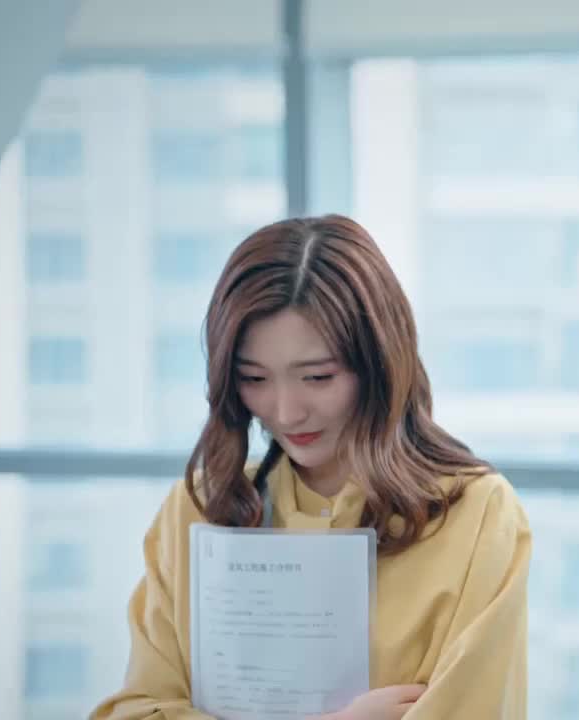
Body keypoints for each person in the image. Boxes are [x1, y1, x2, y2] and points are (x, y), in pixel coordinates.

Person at [91, 215, 530, 720]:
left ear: (380, 365)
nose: (286, 412)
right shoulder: (198, 510)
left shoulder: (476, 515)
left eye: (318, 377)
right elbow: (137, 711)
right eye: (254, 379)